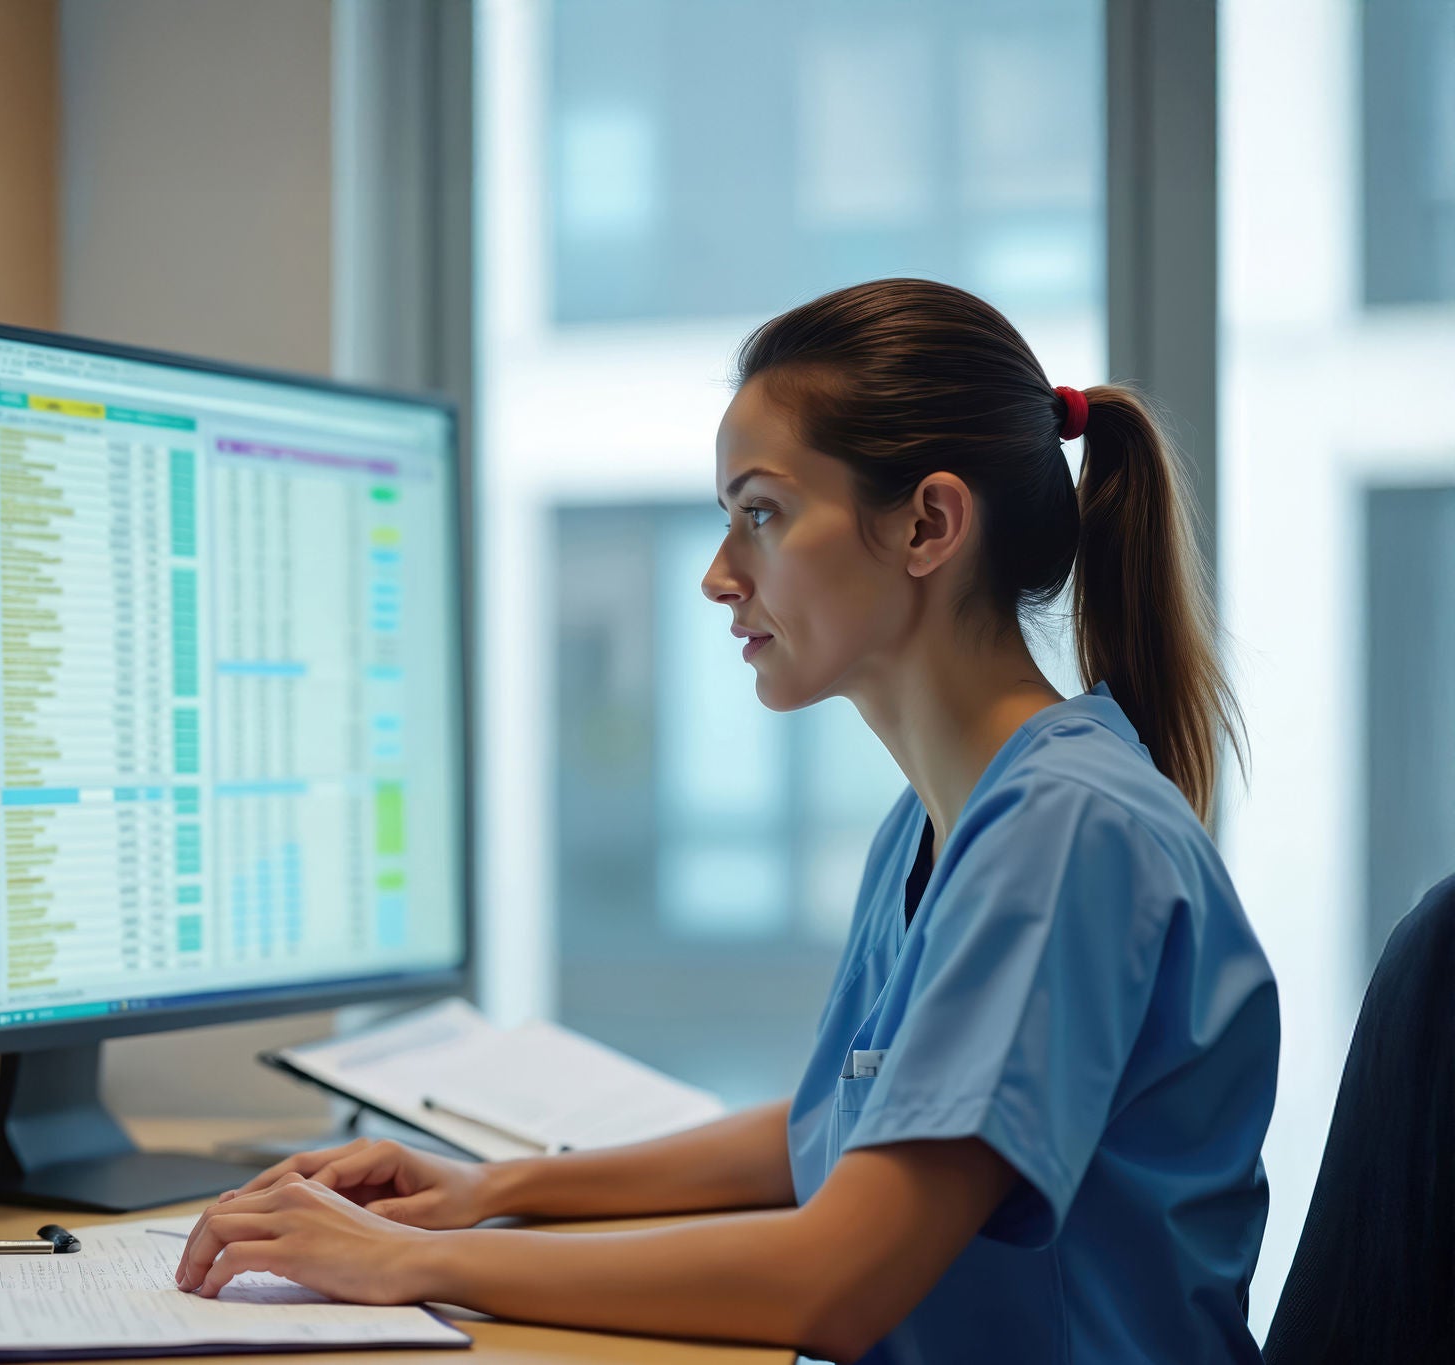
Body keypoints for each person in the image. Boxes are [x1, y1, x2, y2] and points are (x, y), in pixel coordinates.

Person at [174, 278, 1280, 1364]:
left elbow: (835, 1281)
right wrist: (488, 1191)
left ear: (928, 524)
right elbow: (836, 1127)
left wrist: (406, 1263)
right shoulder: (943, 820)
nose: (716, 576)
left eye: (761, 514)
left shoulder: (1063, 835)